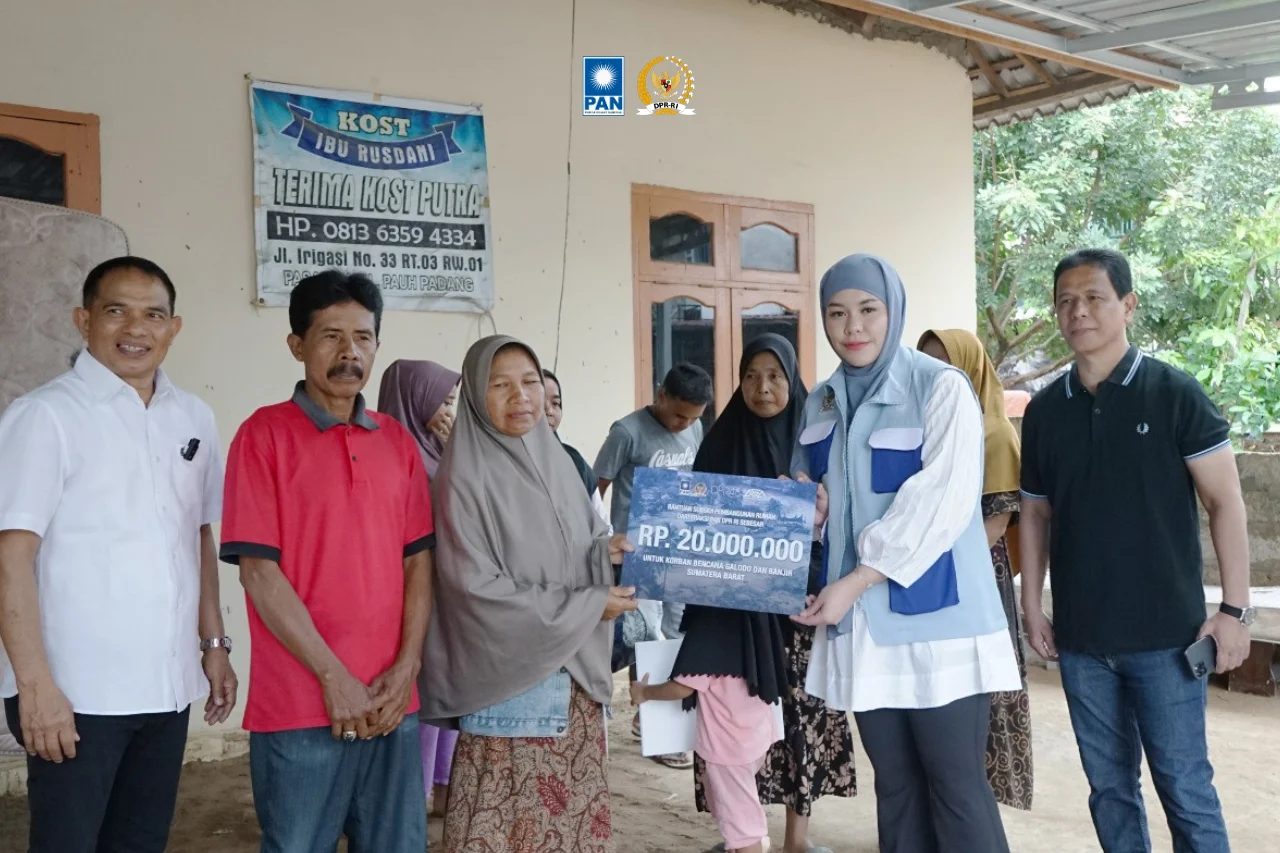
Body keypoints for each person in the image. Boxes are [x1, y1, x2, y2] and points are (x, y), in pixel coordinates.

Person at [0, 256, 237, 853]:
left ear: (173, 328)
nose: (136, 329)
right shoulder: (43, 417)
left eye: (153, 314)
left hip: (165, 685)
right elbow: (10, 559)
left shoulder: (193, 416)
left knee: (139, 842)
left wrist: (213, 646)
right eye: (116, 311)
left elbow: (198, 539)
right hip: (76, 693)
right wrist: (36, 688)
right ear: (85, 320)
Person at [1020, 248, 1251, 853]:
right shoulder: (1045, 412)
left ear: (1127, 304)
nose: (1078, 312)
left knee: (1185, 786)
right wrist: (1032, 604)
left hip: (1168, 639)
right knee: (1109, 789)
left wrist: (1233, 611)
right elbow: (1036, 512)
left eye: (1093, 298)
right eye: (1065, 301)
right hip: (1082, 641)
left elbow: (1226, 503)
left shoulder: (1174, 394)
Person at [792, 253, 1020, 853]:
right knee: (894, 787)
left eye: (868, 310)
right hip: (862, 627)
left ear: (892, 310)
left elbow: (940, 503)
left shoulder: (940, 387)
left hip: (937, 627)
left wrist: (860, 575)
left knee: (957, 787)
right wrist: (811, 514)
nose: (853, 327)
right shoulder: (819, 403)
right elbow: (818, 504)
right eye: (837, 313)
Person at [220, 271, 435, 853]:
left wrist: (408, 667)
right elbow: (260, 574)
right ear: (296, 345)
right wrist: (334, 678)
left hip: (392, 700)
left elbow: (419, 564)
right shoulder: (262, 436)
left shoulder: (396, 441)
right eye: (331, 336)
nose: (350, 353)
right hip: (300, 703)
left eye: (363, 337)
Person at [419, 334, 636, 853]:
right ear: (474, 394)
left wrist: (603, 554)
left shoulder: (555, 461)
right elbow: (476, 589)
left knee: (566, 833)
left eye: (530, 382)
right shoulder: (464, 477)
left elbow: (561, 550)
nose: (521, 396)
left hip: (573, 691)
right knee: (511, 832)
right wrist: (588, 606)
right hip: (512, 699)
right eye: (501, 385)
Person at [690, 334, 855, 853]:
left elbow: (842, 522)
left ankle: (796, 839)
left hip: (800, 608)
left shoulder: (815, 439)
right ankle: (744, 833)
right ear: (738, 382)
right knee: (734, 726)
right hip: (732, 613)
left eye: (776, 376)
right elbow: (693, 525)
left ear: (793, 379)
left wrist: (817, 520)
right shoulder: (718, 442)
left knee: (798, 722)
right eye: (752, 376)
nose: (763, 387)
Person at [918, 328, 1033, 811]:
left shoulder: (995, 431)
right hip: (925, 574)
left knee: (979, 694)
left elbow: (997, 523)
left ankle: (975, 814)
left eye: (949, 367)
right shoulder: (921, 426)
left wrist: (935, 556)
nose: (937, 379)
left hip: (975, 576)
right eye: (926, 367)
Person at [595, 363, 711, 770]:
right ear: (661, 395)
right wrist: (601, 545)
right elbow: (596, 490)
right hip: (637, 558)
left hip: (681, 551)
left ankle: (656, 722)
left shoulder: (693, 427)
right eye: (680, 415)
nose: (685, 425)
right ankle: (656, 730)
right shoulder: (626, 432)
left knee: (676, 636)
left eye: (694, 419)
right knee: (647, 637)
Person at [376, 358, 462, 819]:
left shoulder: (440, 450)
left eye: (453, 400)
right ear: (413, 399)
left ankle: (445, 786)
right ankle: (418, 794)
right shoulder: (390, 455)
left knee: (447, 691)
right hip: (409, 595)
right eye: (442, 400)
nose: (450, 409)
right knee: (424, 697)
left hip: (449, 595)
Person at [631, 603, 787, 853]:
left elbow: (682, 687)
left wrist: (644, 692)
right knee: (740, 815)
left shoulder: (712, 625)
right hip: (756, 736)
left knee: (744, 828)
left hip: (727, 750)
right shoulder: (754, 612)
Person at [543, 368, 609, 521]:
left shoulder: (574, 461)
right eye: (539, 402)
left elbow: (601, 523)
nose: (549, 411)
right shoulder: (505, 463)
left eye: (556, 403)